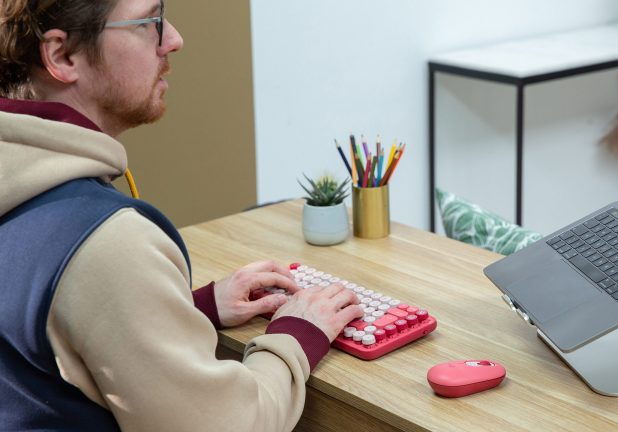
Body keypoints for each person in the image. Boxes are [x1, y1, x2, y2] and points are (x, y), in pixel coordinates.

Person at [0, 0, 363, 430]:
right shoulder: (105, 244)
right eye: (151, 21)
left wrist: (187, 309)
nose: (173, 39)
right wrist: (295, 334)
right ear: (62, 56)